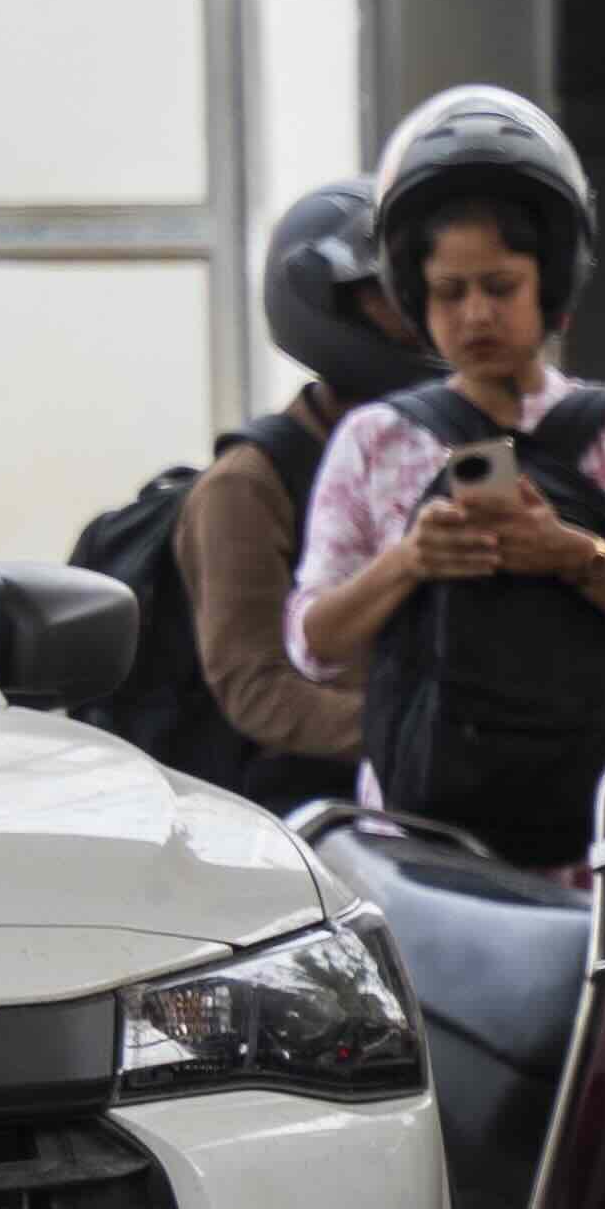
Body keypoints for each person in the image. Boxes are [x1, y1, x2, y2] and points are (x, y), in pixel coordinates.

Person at [285, 88, 605, 869]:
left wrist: (575, 557)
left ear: (551, 284)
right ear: (417, 299)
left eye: (500, 287)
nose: (475, 314)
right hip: (418, 849)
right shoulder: (374, 441)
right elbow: (314, 643)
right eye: (449, 293)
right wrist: (412, 561)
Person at [170, 182, 404, 801]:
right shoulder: (247, 486)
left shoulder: (442, 448)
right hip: (313, 821)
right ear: (324, 304)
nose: (418, 311)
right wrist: (411, 733)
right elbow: (257, 689)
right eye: (387, 294)